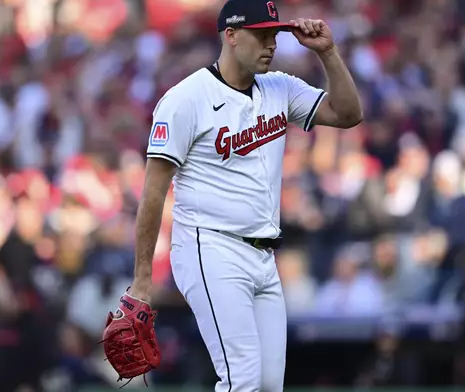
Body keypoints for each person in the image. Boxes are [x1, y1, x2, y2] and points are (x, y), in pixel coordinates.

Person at [112, 0, 362, 391]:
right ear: (230, 35)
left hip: (264, 256)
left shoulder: (280, 88)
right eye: (260, 34)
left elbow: (348, 114)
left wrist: (328, 53)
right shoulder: (186, 99)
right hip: (210, 249)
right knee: (242, 379)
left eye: (274, 35)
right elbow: (153, 193)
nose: (270, 44)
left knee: (267, 385)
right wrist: (142, 282)